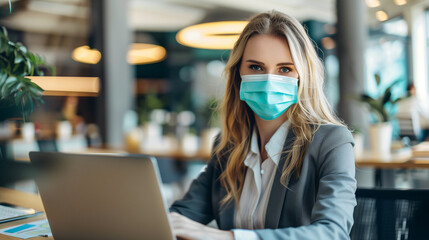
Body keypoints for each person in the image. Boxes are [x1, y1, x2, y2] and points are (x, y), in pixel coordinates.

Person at [169, 10, 356, 240]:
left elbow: (333, 232)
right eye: (256, 67)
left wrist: (228, 237)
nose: (269, 79)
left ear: (302, 76)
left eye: (285, 69)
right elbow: (182, 218)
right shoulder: (227, 145)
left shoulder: (331, 142)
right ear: (238, 73)